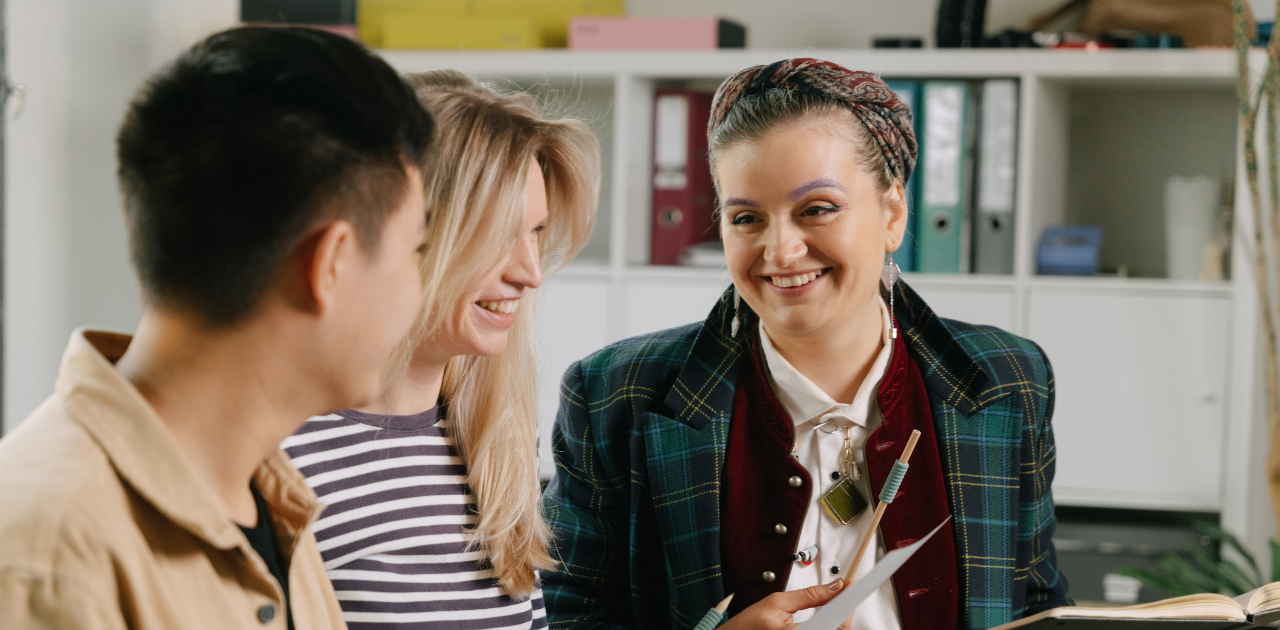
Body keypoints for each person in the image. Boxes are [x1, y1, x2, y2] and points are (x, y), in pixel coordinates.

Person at [541, 59, 1070, 630]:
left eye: (816, 209)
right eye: (746, 218)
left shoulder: (1009, 381)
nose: (781, 251)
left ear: (893, 213)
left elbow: (1038, 609)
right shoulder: (614, 396)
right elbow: (558, 620)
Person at [0, 27, 433, 629]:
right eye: (418, 250)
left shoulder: (274, 508)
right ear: (329, 265)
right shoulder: (48, 554)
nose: (421, 290)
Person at [282, 70, 598, 629]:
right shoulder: (283, 455)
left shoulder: (495, 439)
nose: (530, 273)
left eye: (536, 233)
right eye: (500, 233)